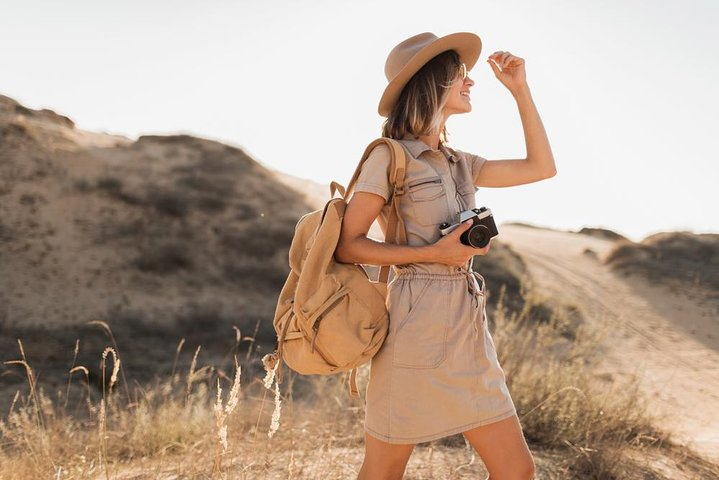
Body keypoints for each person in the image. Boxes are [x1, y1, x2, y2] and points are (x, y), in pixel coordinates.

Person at [334, 32, 555, 480]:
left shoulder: (459, 162)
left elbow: (541, 167)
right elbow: (347, 243)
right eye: (461, 74)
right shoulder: (390, 157)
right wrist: (434, 251)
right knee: (383, 470)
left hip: (469, 324)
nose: (470, 82)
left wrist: (520, 89)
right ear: (433, 81)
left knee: (517, 470)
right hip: (414, 322)